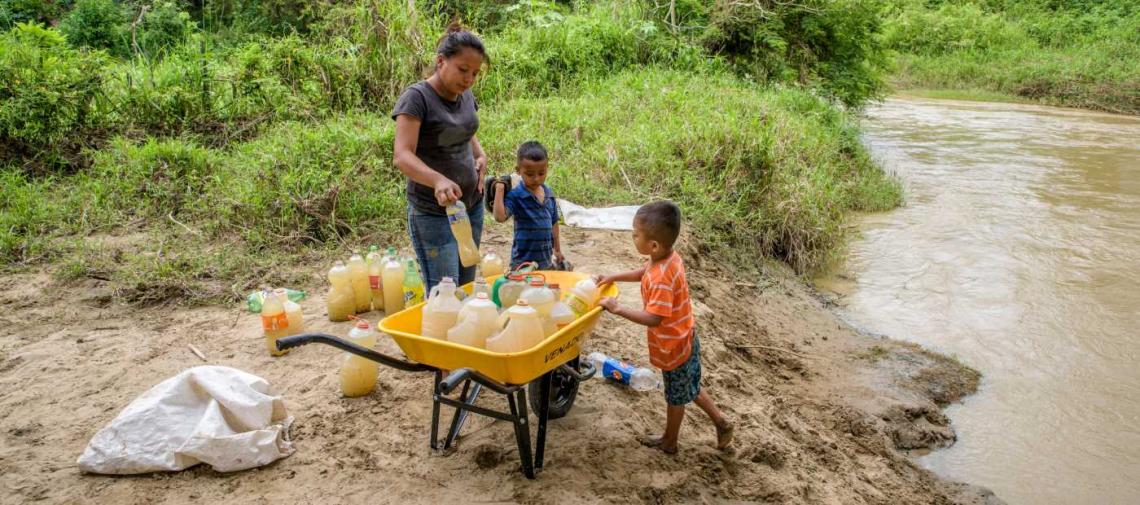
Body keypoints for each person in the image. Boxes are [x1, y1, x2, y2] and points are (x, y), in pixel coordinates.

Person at [595, 200, 733, 454]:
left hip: (675, 346)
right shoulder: (667, 257)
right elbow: (642, 271)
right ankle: (722, 422)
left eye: (636, 235)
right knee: (688, 388)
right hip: (684, 337)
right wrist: (613, 277)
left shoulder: (661, 278)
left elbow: (654, 318)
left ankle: (670, 441)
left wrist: (618, 309)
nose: (633, 237)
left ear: (654, 245)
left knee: (675, 396)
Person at [392, 23, 489, 292]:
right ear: (440, 61)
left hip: (470, 206)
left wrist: (480, 155)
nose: (468, 79)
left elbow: (465, 130)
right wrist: (437, 180)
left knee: (466, 286)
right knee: (445, 291)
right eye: (462, 70)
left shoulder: (465, 95)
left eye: (474, 73)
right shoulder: (417, 98)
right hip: (434, 213)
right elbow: (402, 155)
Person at [491, 141, 564, 270]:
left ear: (547, 168)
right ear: (518, 171)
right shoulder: (517, 195)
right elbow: (500, 217)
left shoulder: (549, 194)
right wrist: (499, 189)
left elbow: (554, 224)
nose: (536, 179)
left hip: (545, 263)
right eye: (530, 174)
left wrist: (557, 249)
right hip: (522, 264)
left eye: (541, 173)